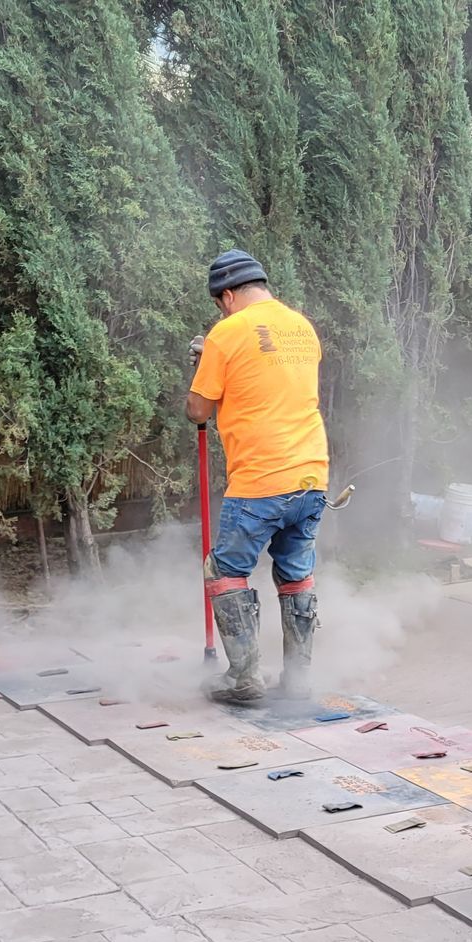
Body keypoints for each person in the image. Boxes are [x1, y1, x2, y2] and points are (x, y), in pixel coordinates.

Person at [186, 249, 330, 705]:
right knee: (295, 576)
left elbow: (197, 409)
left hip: (260, 479)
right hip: (311, 476)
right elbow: (271, 384)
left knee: (225, 570)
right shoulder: (302, 327)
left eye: (219, 303)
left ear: (227, 296)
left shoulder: (226, 333)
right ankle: (299, 679)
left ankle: (244, 678)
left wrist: (204, 362)